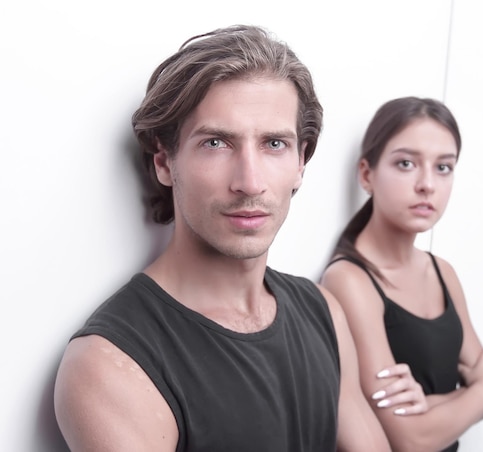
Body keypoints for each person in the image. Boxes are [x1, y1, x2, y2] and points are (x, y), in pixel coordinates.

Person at [53, 25, 393, 452]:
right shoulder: (111, 365)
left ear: (301, 163)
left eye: (273, 143)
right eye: (216, 142)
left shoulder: (323, 310)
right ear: (164, 160)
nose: (250, 182)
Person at [320, 97, 483, 452]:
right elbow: (407, 439)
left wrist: (434, 406)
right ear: (367, 174)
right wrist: (482, 391)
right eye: (406, 163)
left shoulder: (443, 272)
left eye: (443, 167)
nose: (427, 184)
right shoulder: (349, 280)